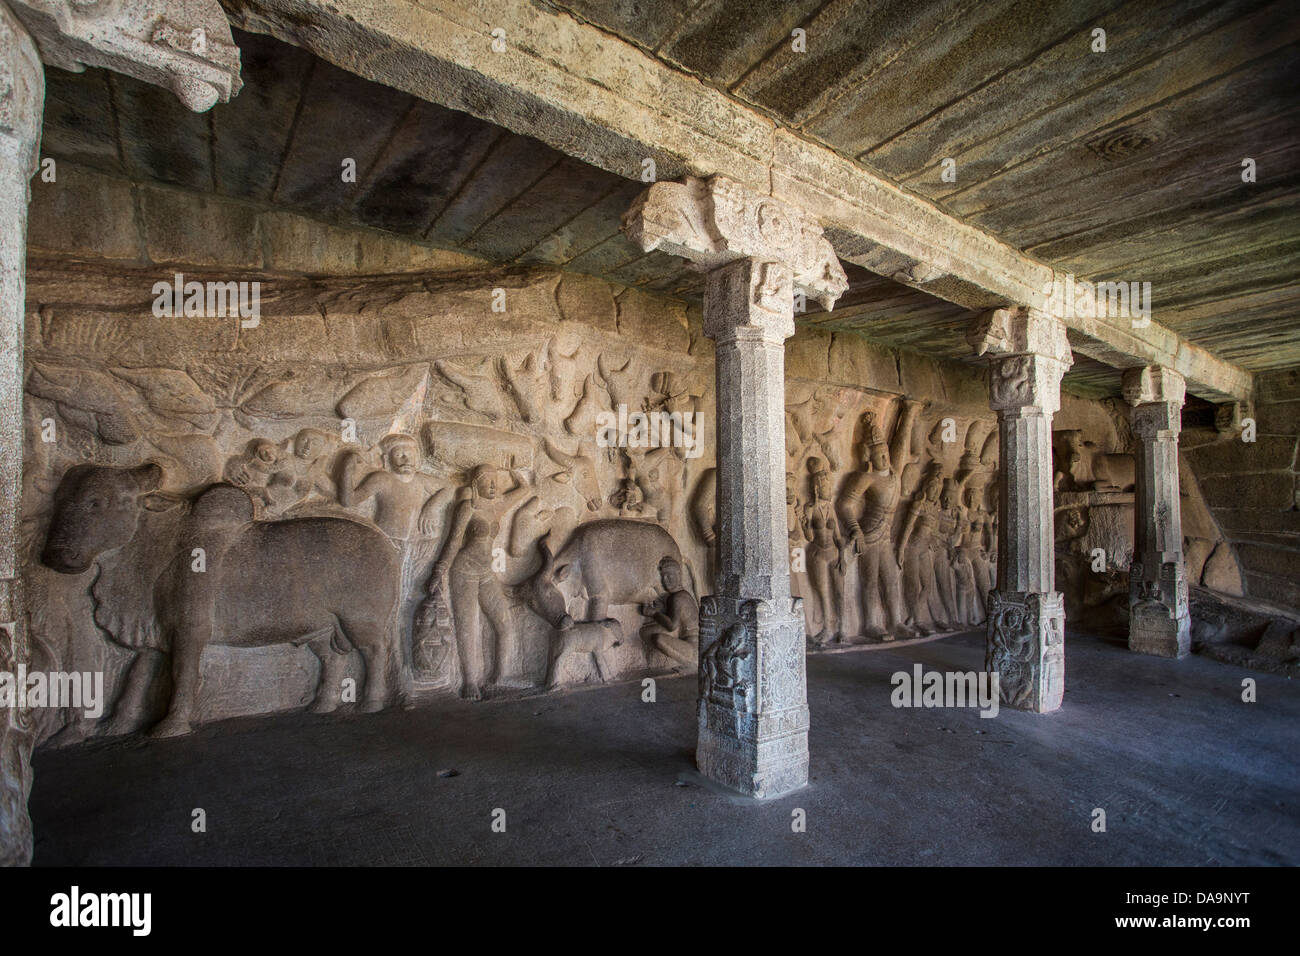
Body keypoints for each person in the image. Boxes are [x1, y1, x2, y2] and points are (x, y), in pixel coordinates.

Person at [640, 556, 699, 668]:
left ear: (679, 574)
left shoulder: (678, 597)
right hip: (689, 644)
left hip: (693, 648)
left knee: (658, 639)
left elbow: (672, 626)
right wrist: (659, 610)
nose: (665, 580)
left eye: (669, 575)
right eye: (663, 577)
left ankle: (692, 665)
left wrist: (654, 614)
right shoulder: (678, 596)